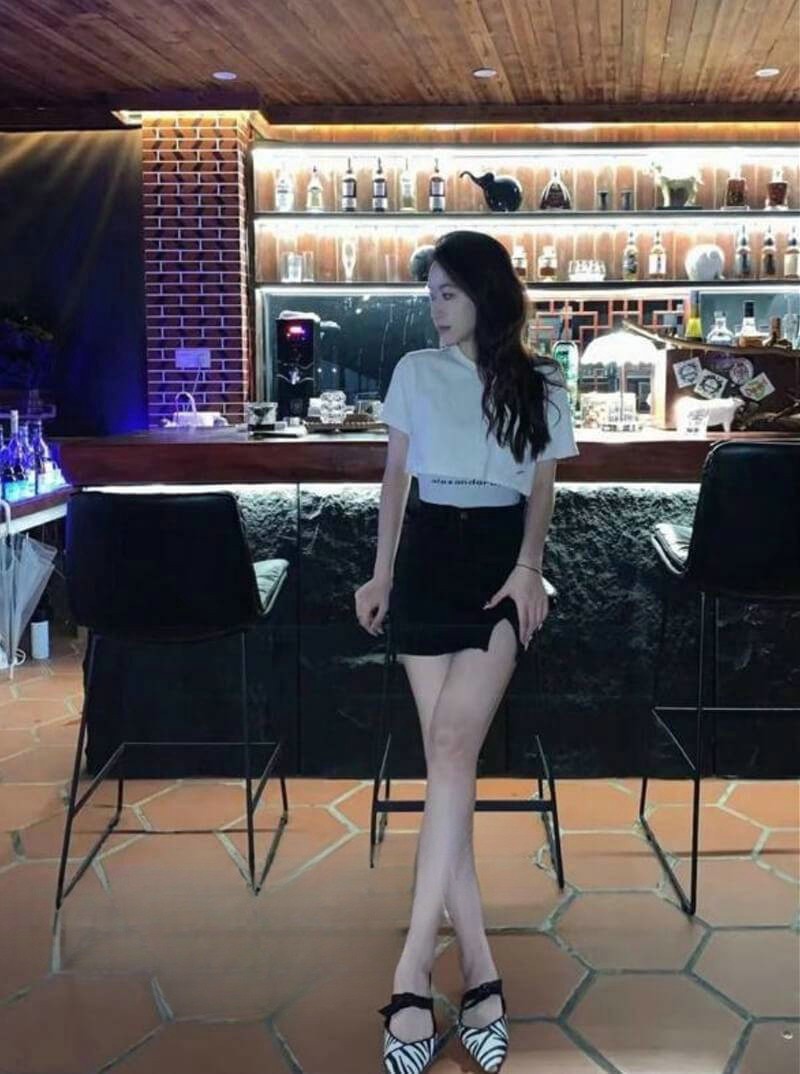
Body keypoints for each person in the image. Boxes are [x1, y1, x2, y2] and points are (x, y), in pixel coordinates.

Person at [354, 230, 578, 1074]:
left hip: (497, 567)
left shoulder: (543, 383)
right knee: (450, 764)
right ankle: (479, 967)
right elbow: (395, 480)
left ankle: (413, 968)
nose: (435, 308)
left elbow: (544, 486)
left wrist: (529, 568)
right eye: (430, 296)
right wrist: (381, 574)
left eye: (447, 293)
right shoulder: (415, 372)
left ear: (486, 292)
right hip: (426, 563)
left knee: (450, 747)